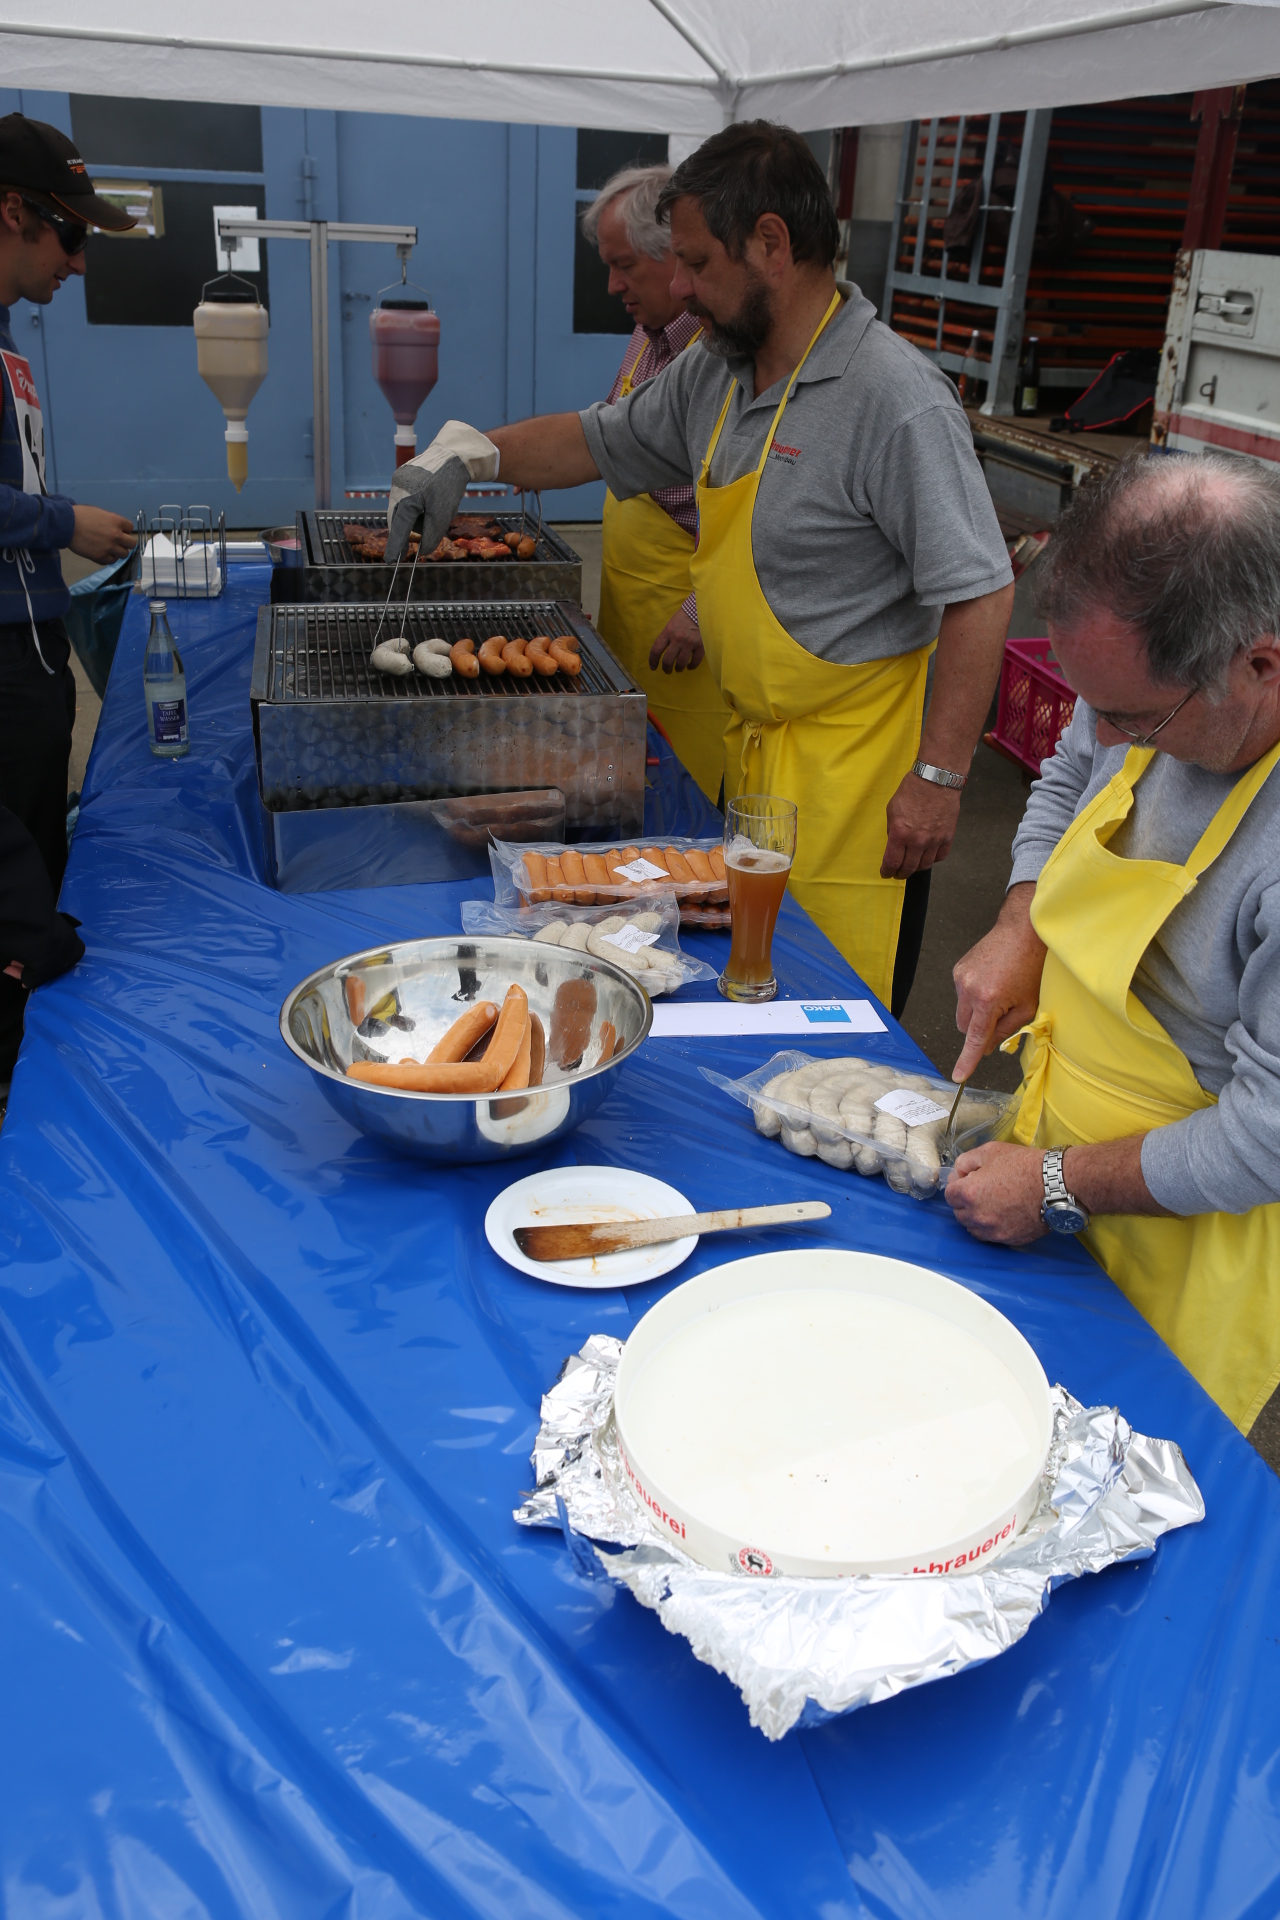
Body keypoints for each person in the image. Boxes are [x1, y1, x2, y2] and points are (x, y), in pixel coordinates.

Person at [417, 122, 1013, 1014]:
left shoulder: (895, 399)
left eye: (696, 262)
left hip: (857, 785)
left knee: (834, 1015)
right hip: (755, 762)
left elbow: (981, 592)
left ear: (771, 243)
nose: (680, 286)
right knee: (747, 992)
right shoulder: (718, 373)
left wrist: (938, 779)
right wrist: (470, 455)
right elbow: (594, 441)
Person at [946, 452, 1280, 1465]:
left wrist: (1052, 1183)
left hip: (1185, 1236)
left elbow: (1262, 1142)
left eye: (1134, 718)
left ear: (1260, 666)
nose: (1101, 733)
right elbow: (1066, 774)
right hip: (1046, 1167)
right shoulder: (1145, 691)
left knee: (1106, 1481)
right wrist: (1021, 923)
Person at [0, 113, 136, 1103]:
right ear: (13, 210)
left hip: (32, 647)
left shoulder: (8, 334)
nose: (79, 263)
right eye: (72, 235)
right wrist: (61, 523)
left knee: (38, 872)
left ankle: (30, 1063)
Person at [580, 163, 728, 802]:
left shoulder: (718, 357)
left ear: (676, 253)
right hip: (632, 616)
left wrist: (700, 611)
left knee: (685, 803)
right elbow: (609, 441)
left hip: (690, 634)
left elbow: (758, 515)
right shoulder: (646, 336)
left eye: (625, 266)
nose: (613, 285)